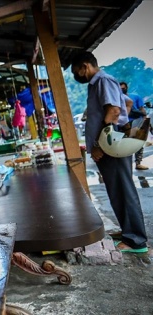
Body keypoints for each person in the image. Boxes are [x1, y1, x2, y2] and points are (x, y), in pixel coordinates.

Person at [71, 51, 148, 254]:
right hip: (110, 143)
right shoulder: (101, 83)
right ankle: (128, 232)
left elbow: (114, 110)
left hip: (110, 144)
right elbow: (127, 103)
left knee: (123, 189)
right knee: (116, 189)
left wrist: (99, 144)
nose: (76, 75)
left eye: (76, 71)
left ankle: (136, 241)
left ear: (85, 66)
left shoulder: (103, 80)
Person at [120, 81, 149, 170]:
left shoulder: (135, 97)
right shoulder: (116, 98)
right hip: (123, 124)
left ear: (126, 88)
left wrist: (145, 120)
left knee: (139, 142)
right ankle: (125, 166)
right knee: (124, 144)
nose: (122, 89)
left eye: (123, 88)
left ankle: (138, 163)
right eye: (120, 88)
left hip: (136, 121)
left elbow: (142, 109)